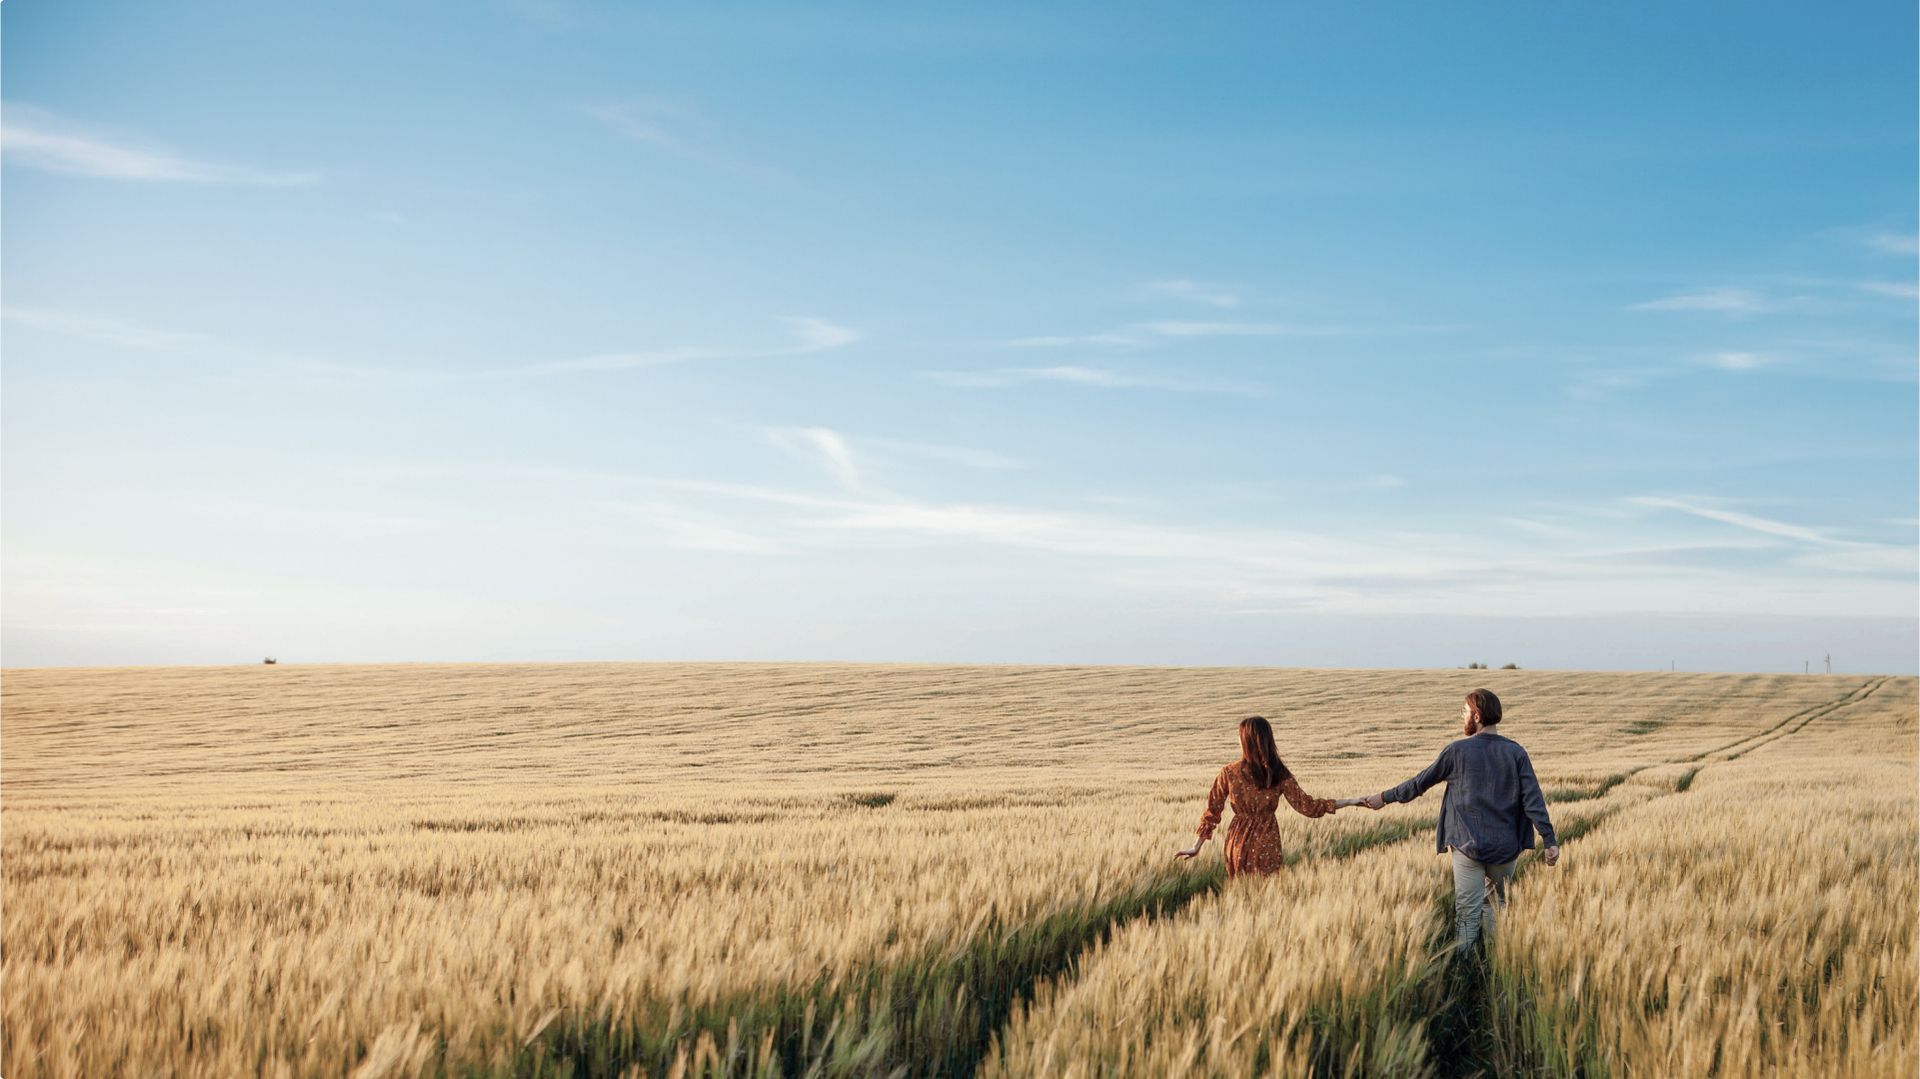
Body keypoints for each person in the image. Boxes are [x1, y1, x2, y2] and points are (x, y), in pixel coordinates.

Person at [1360, 688, 1560, 951]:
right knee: (1496, 908)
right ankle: (1493, 963)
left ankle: (1465, 967)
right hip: (1505, 848)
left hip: (1468, 845)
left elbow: (1419, 783)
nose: (1461, 717)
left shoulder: (1457, 751)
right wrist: (1549, 840)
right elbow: (1533, 799)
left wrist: (1384, 797)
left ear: (1476, 716)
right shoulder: (1516, 753)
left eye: (1464, 712)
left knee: (1467, 912)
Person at [1174, 715, 1367, 877]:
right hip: (1268, 841)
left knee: (1241, 893)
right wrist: (1350, 801)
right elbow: (1309, 808)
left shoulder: (1229, 772)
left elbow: (1212, 810)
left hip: (1237, 841)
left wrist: (1196, 846)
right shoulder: (1279, 772)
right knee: (1267, 888)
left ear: (1247, 740)